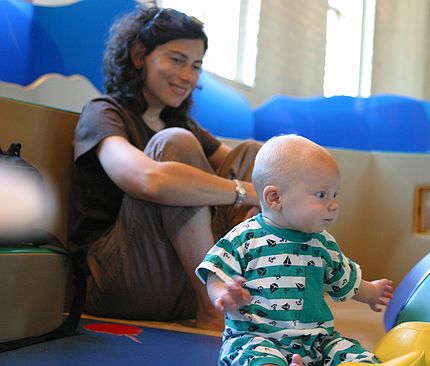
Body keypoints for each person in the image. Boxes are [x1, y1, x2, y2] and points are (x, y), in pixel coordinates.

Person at [68, 6, 260, 331]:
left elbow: (244, 167)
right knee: (176, 145)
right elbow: (147, 180)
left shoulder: (179, 122)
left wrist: (265, 188)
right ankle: (213, 309)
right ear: (140, 56)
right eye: (176, 59)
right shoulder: (104, 112)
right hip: (119, 282)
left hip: (179, 282)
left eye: (196, 66)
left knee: (254, 155)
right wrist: (243, 191)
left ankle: (257, 292)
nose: (187, 75)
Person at [196, 135, 394, 365]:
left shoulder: (323, 244)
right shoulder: (244, 238)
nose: (333, 204)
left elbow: (344, 279)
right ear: (275, 198)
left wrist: (371, 292)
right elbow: (215, 273)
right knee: (256, 359)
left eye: (335, 194)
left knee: (356, 355)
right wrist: (223, 294)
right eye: (321, 195)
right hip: (256, 338)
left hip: (317, 340)